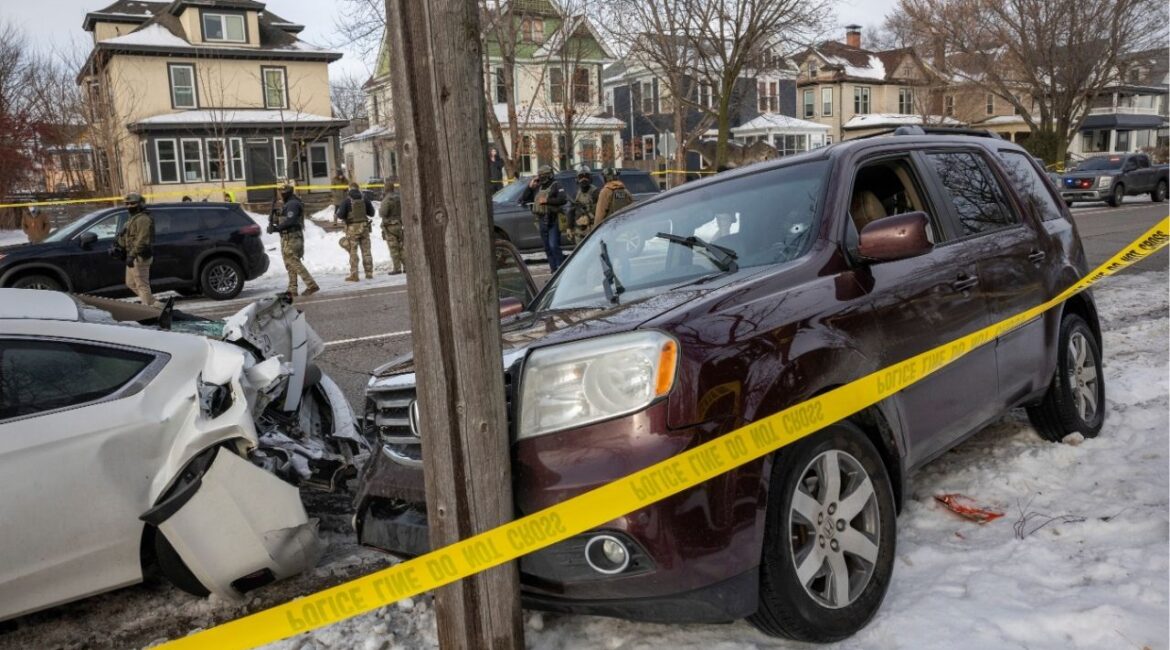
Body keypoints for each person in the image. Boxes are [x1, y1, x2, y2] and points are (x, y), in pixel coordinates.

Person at [267, 183, 319, 297]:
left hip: (292, 237)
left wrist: (277, 228)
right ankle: (292, 289)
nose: (280, 195)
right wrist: (274, 217)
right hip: (287, 237)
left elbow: (291, 221)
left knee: (294, 262)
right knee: (290, 264)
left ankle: (311, 285)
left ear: (286, 193)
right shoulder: (288, 203)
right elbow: (284, 218)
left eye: (282, 193)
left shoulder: (293, 204)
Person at [519, 164, 567, 272]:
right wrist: (530, 187)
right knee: (547, 248)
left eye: (543, 175)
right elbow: (522, 200)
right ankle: (553, 271)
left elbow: (563, 199)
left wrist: (547, 201)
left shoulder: (556, 185)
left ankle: (561, 270)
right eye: (540, 176)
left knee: (554, 245)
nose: (541, 178)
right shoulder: (538, 187)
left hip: (553, 219)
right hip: (541, 220)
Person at [113, 192, 156, 306]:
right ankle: (154, 304)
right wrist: (118, 246)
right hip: (132, 256)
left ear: (140, 204)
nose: (129, 206)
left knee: (142, 284)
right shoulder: (132, 219)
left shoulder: (143, 219)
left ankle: (149, 309)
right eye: (127, 204)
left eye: (132, 203)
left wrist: (132, 254)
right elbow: (126, 237)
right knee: (131, 283)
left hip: (140, 256)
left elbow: (142, 240)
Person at [335, 182, 375, 281]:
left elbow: (340, 215)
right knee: (366, 251)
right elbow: (372, 213)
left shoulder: (347, 201)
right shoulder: (364, 199)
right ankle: (369, 273)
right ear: (358, 188)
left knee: (353, 252)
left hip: (352, 229)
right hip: (365, 228)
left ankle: (354, 274)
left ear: (349, 189)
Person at [378, 176, 405, 274]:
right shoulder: (398, 197)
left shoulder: (387, 199)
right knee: (401, 247)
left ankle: (397, 268)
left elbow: (383, 213)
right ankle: (406, 267)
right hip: (399, 224)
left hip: (390, 226)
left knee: (393, 248)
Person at [568, 169, 597, 242]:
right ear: (577, 179)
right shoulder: (576, 195)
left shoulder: (596, 193)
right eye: (581, 177)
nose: (584, 179)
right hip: (579, 231)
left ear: (590, 178)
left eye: (586, 176)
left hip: (593, 230)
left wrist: (589, 217)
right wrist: (569, 228)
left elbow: (602, 210)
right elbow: (571, 212)